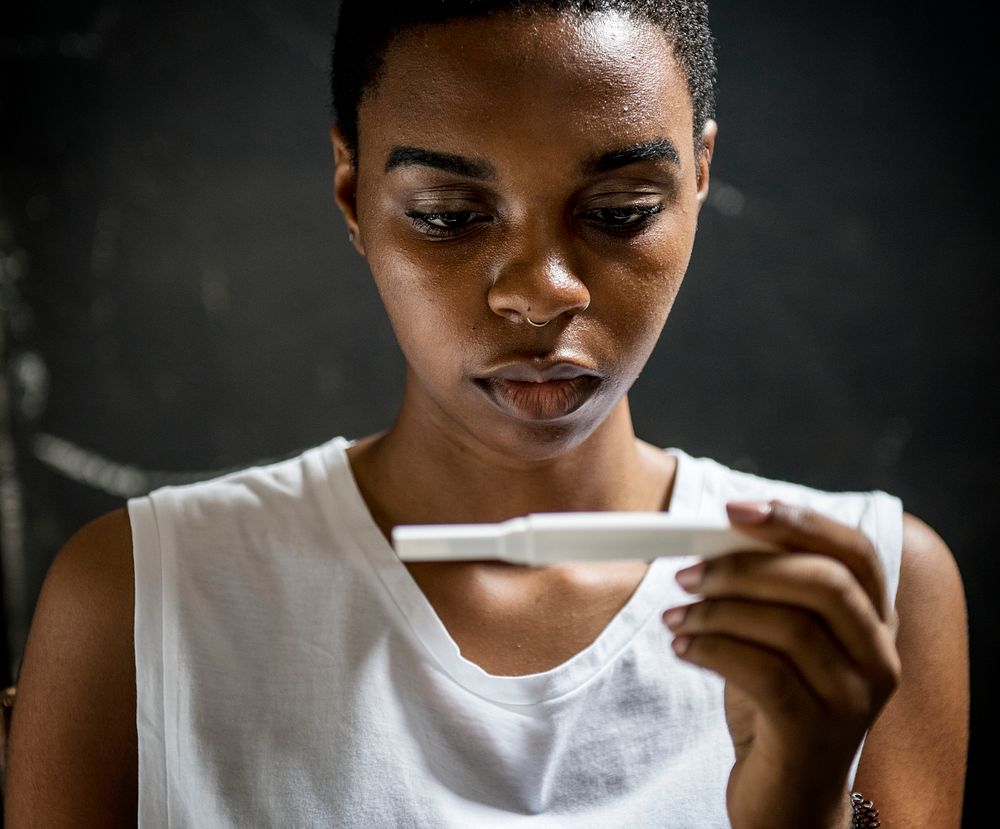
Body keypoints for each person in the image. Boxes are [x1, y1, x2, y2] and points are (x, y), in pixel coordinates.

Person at [5, 1, 968, 826]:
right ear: (353, 193)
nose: (542, 293)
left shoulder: (870, 591)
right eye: (449, 217)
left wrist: (806, 808)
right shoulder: (141, 600)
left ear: (700, 179)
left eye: (623, 208)